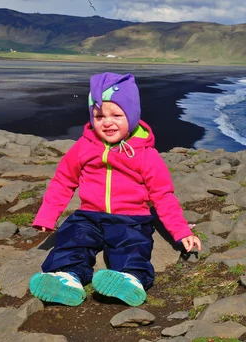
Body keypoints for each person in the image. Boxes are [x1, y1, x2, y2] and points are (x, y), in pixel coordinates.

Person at [29, 72, 201, 307]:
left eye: (116, 115)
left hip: (131, 218)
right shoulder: (84, 146)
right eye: (99, 116)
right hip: (89, 215)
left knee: (132, 246)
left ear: (132, 116)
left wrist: (181, 232)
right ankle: (66, 278)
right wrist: (48, 215)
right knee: (73, 238)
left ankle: (130, 279)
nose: (107, 122)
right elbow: (63, 180)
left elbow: (163, 196)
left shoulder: (145, 154)